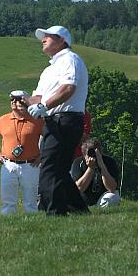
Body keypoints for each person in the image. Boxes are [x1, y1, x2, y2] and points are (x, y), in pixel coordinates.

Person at [26, 25, 90, 215]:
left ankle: (55, 214)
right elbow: (37, 98)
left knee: (50, 168)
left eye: (48, 36)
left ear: (62, 40)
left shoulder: (70, 59)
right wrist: (25, 100)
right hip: (54, 121)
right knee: (59, 170)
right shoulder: (49, 70)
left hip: (67, 120)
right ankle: (79, 210)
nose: (43, 39)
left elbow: (68, 88)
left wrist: (43, 105)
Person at [0, 90, 44, 214]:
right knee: (8, 200)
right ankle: (7, 223)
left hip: (30, 165)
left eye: (17, 99)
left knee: (31, 201)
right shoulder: (3, 119)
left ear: (25, 101)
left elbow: (49, 137)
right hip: (8, 164)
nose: (14, 102)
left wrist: (42, 156)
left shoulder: (37, 120)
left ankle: (32, 224)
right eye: (12, 99)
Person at [70, 137, 121, 208]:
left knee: (114, 196)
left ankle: (102, 210)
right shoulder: (78, 162)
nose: (93, 155)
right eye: (90, 152)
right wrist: (90, 168)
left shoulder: (110, 162)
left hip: (103, 198)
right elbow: (78, 188)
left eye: (96, 152)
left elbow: (112, 188)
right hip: (83, 200)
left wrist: (102, 166)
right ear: (84, 154)